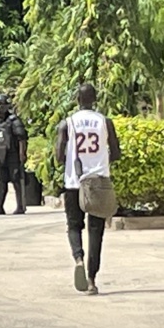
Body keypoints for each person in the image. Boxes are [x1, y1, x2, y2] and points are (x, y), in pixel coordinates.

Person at [55, 83, 121, 295]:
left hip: (74, 182)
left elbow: (59, 156)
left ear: (77, 100)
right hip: (99, 182)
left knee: (74, 226)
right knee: (96, 230)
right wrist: (101, 161)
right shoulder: (105, 122)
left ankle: (78, 259)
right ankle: (92, 279)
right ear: (95, 99)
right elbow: (116, 152)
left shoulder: (67, 123)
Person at [0, 94, 28, 215]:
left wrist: (22, 154)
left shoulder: (14, 121)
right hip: (2, 156)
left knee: (16, 181)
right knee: (1, 182)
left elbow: (22, 138)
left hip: (13, 155)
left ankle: (20, 207)